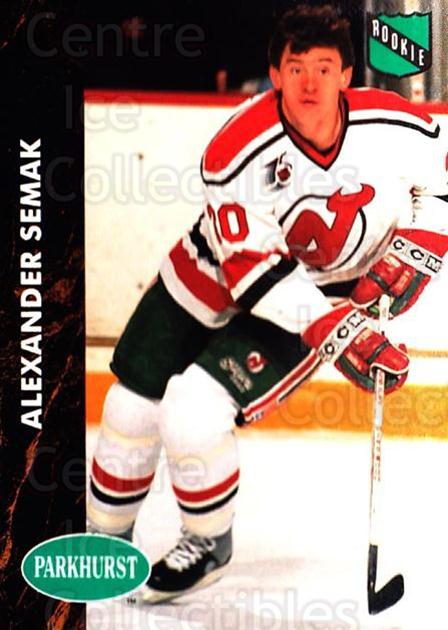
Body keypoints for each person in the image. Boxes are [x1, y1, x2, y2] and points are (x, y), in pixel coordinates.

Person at [87, 4, 448, 603]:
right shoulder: (236, 149)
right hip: (216, 267)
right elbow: (256, 275)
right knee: (128, 408)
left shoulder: (395, 125)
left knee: (192, 411)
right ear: (275, 75)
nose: (310, 83)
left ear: (347, 75)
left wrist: (421, 246)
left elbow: (442, 181)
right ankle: (103, 544)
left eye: (324, 68)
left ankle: (206, 542)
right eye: (295, 67)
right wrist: (343, 331)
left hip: (327, 289)